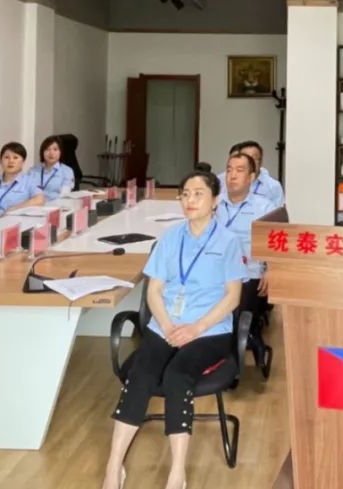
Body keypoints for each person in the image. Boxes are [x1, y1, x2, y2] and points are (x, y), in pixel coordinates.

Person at [101, 170, 246, 489]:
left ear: (215, 201)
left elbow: (233, 297)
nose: (190, 200)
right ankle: (114, 466)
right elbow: (154, 291)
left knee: (178, 376)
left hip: (209, 331)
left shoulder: (228, 242)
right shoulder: (170, 238)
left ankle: (177, 473)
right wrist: (167, 325)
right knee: (141, 373)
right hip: (165, 325)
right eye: (185, 194)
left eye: (199, 194)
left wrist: (196, 328)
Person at [214, 152, 277, 369]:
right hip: (216, 272)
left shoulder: (265, 208)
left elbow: (276, 244)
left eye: (239, 171)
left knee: (235, 312)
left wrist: (271, 270)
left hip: (249, 272)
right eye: (229, 170)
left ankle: (235, 357)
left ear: (251, 177)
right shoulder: (214, 204)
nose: (232, 175)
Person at [0, 142, 44, 224]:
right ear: (0, 161)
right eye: (6, 157)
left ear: (23, 162)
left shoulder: (30, 181)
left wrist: (12, 210)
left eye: (15, 157)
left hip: (13, 226)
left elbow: (40, 200)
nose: (11, 161)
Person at [218, 141, 284, 208]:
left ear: (261, 162)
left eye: (253, 159)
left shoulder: (273, 186)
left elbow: (278, 212)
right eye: (246, 158)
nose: (250, 162)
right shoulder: (223, 180)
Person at [29, 136, 76, 202]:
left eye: (55, 149)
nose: (51, 153)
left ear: (60, 152)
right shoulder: (33, 170)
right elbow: (27, 192)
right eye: (47, 149)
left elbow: (64, 196)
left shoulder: (67, 171)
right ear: (42, 152)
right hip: (34, 205)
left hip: (56, 205)